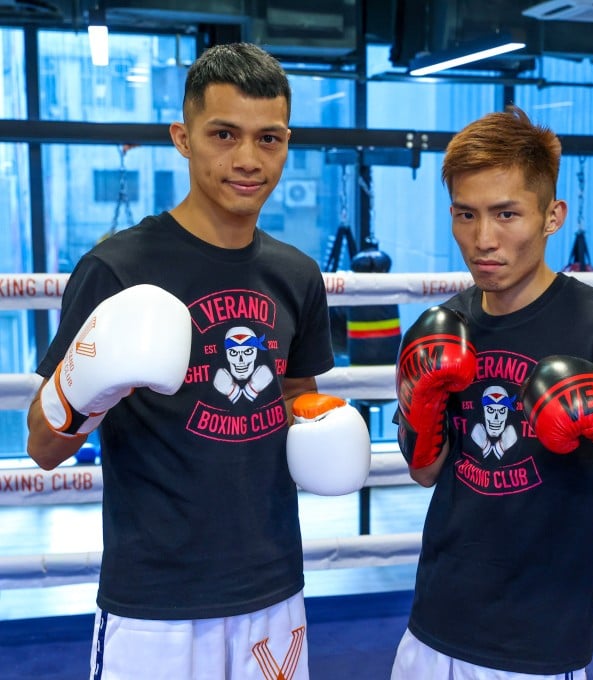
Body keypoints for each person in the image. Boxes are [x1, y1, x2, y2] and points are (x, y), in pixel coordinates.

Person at [25, 42, 368, 680]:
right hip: (155, 602)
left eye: (268, 139)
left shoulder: (295, 275)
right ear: (183, 138)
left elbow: (297, 397)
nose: (247, 159)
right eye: (223, 134)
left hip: (272, 590)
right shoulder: (117, 269)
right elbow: (43, 445)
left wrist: (323, 426)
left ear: (287, 142)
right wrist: (90, 386)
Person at [390, 106, 593, 679]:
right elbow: (425, 473)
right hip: (436, 620)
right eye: (465, 215)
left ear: (554, 216)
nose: (483, 240)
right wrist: (421, 405)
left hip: (542, 636)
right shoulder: (444, 326)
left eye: (506, 215)